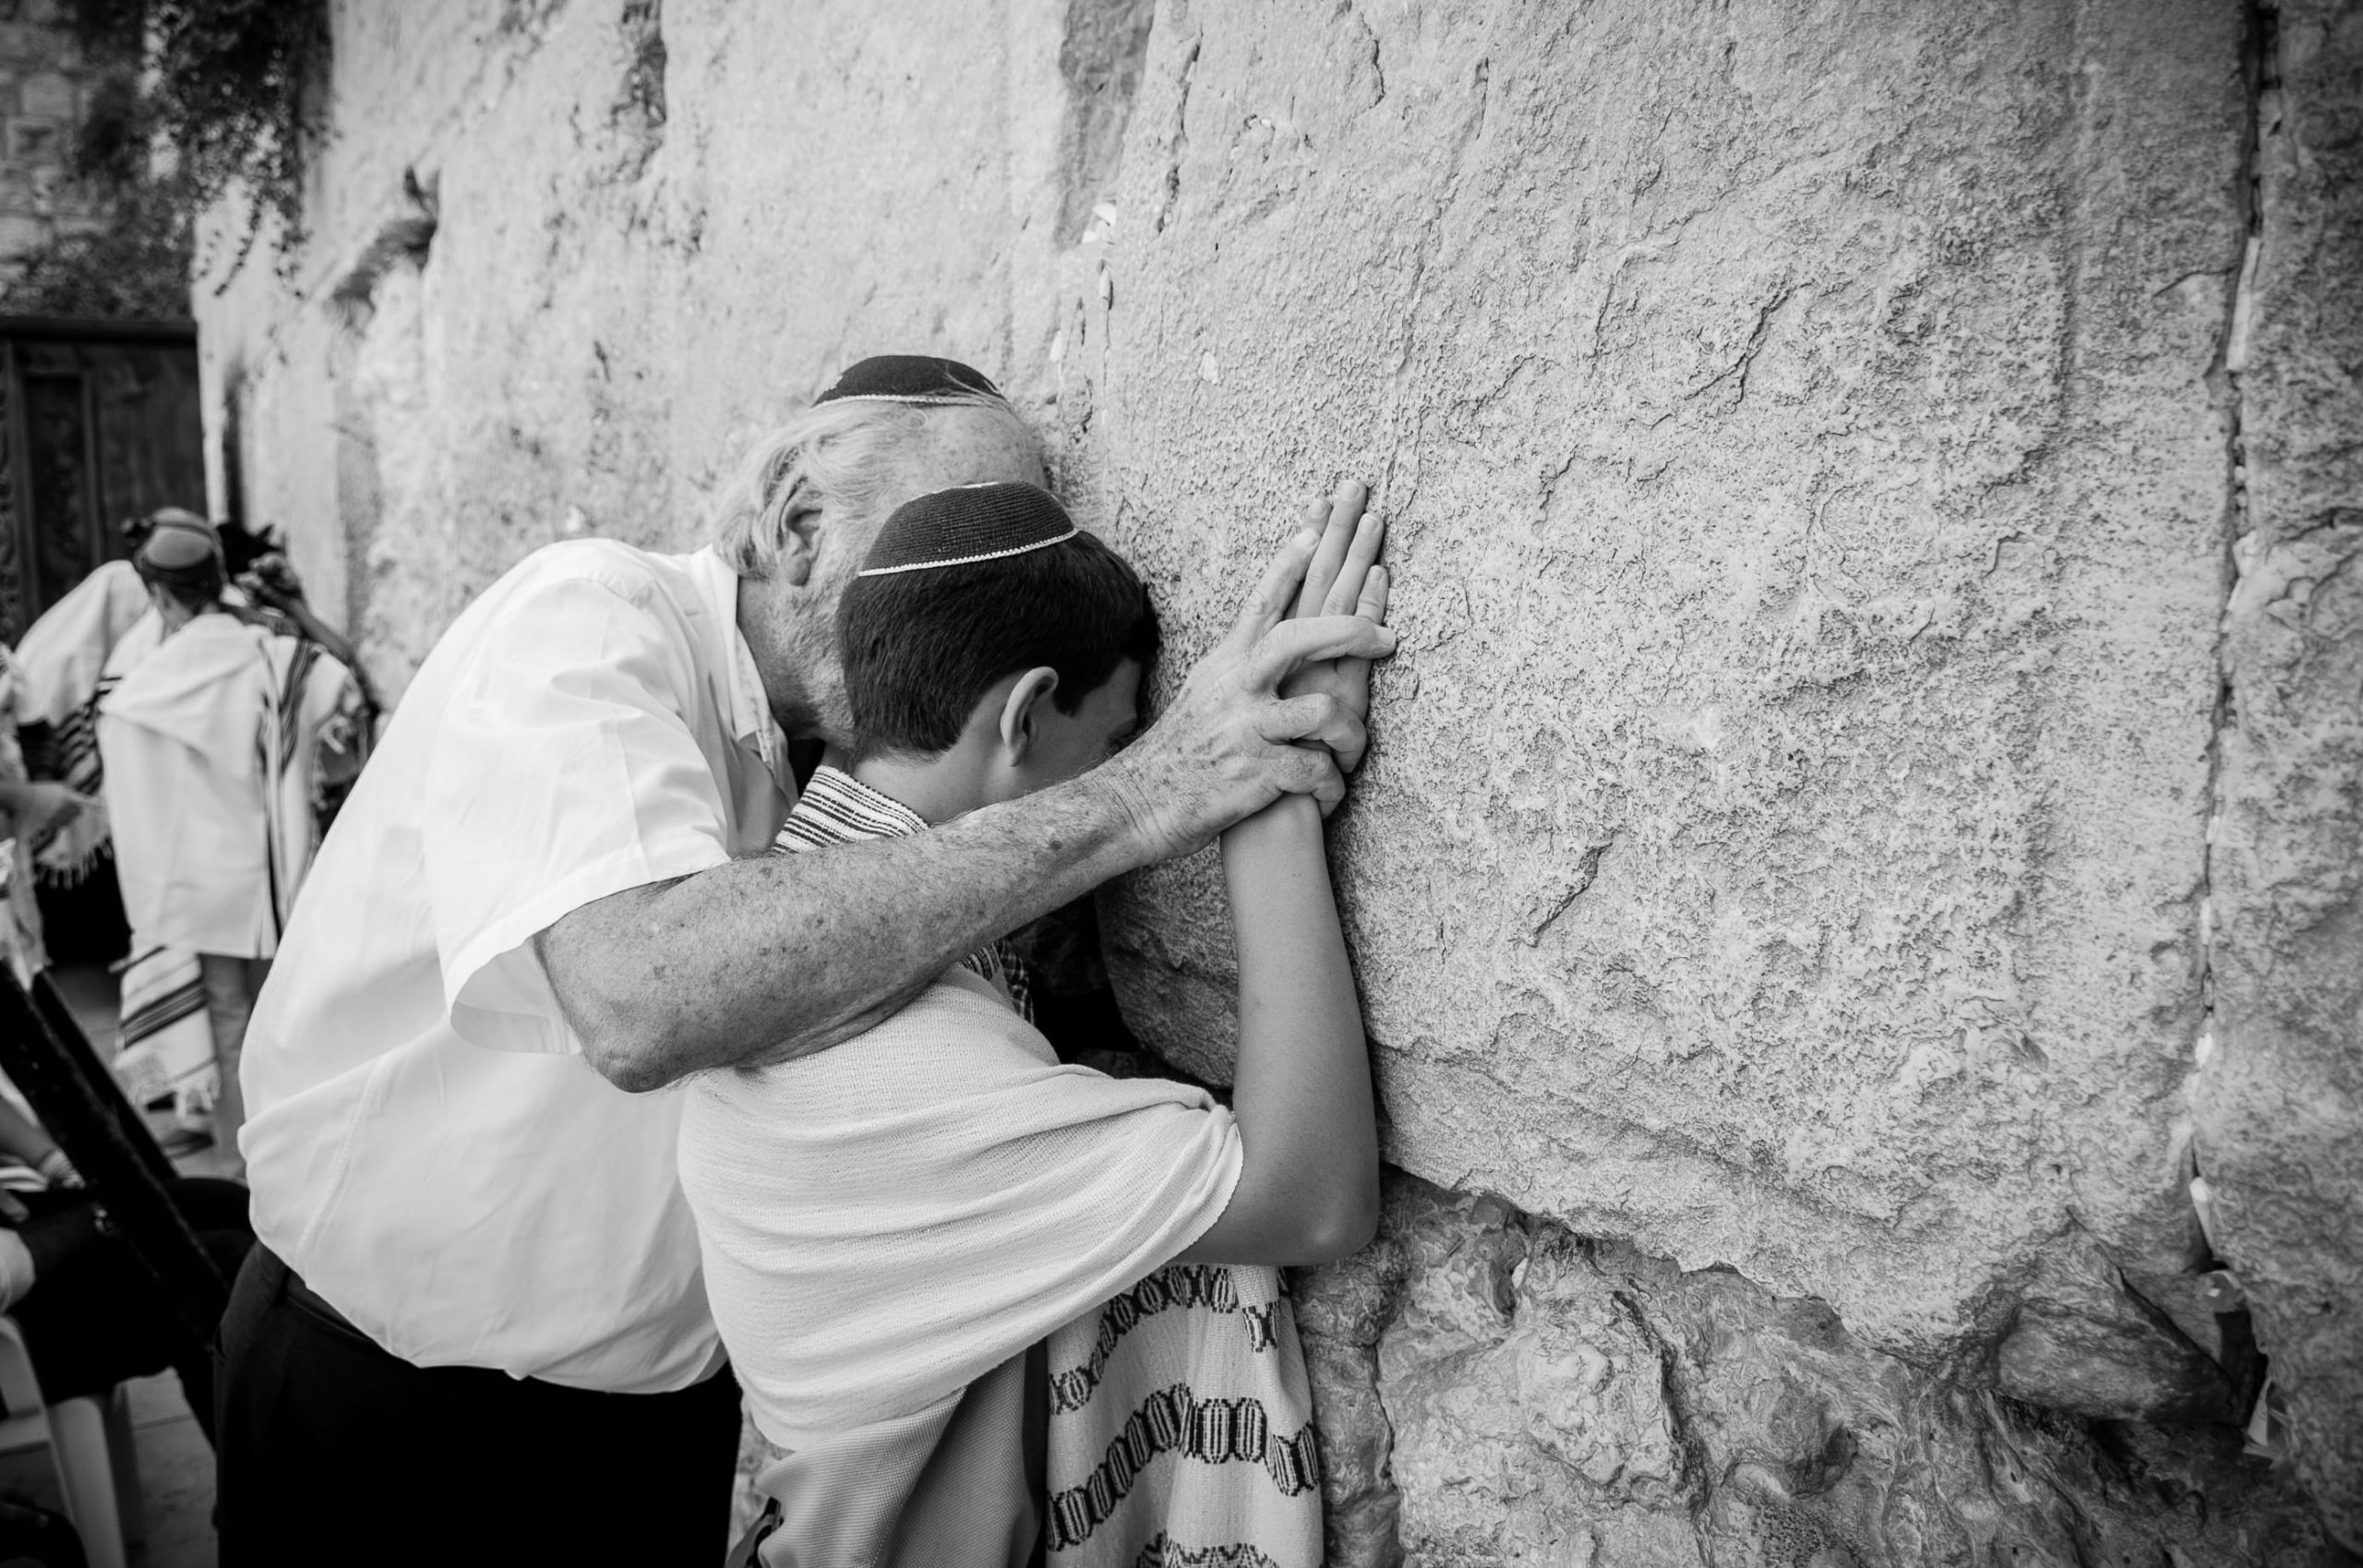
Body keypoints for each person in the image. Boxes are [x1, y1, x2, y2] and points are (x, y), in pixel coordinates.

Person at [217, 354, 1395, 1565]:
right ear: (792, 516)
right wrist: (1160, 789)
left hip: (659, 1420)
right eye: (940, 538)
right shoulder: (587, 619)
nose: (974, 592)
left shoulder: (847, 777)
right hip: (394, 1404)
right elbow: (643, 995)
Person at [680, 482, 1385, 1566]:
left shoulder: (784, 917)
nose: (1135, 770)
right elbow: (1311, 1199)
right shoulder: (902, 1067)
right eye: (1117, 739)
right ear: (1022, 714)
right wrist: (1268, 797)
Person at [95, 511, 367, 1171]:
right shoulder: (278, 658)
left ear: (159, 594)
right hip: (280, 873)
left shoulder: (139, 685)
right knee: (292, 1020)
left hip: (201, 888)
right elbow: (351, 695)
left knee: (225, 1023)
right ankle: (311, 1155)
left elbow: (127, 791)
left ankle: (247, 1171)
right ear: (218, 581)